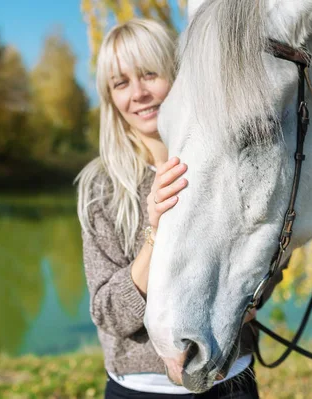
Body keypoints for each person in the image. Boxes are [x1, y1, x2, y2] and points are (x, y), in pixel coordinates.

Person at [76, 19, 263, 399]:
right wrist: (155, 234)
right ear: (110, 98)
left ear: (177, 77)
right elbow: (109, 313)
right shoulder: (101, 186)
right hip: (141, 389)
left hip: (229, 383)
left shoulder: (225, 165)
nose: (139, 93)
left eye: (149, 74)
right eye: (121, 83)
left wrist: (253, 297)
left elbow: (267, 248)